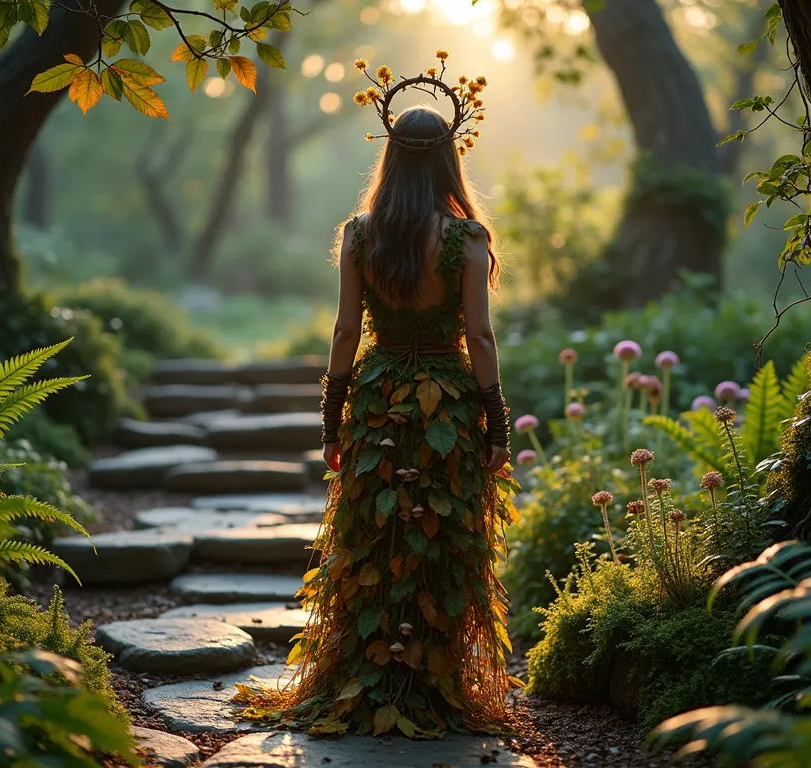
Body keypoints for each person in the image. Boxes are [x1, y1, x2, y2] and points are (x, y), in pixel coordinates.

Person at [238, 55, 519, 739]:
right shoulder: (467, 238)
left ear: (390, 157)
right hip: (446, 402)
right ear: (449, 160)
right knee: (442, 538)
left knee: (372, 536)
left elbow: (343, 331)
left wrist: (331, 419)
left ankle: (365, 678)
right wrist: (497, 423)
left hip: (376, 399)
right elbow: (480, 336)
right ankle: (433, 685)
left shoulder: (359, 235)